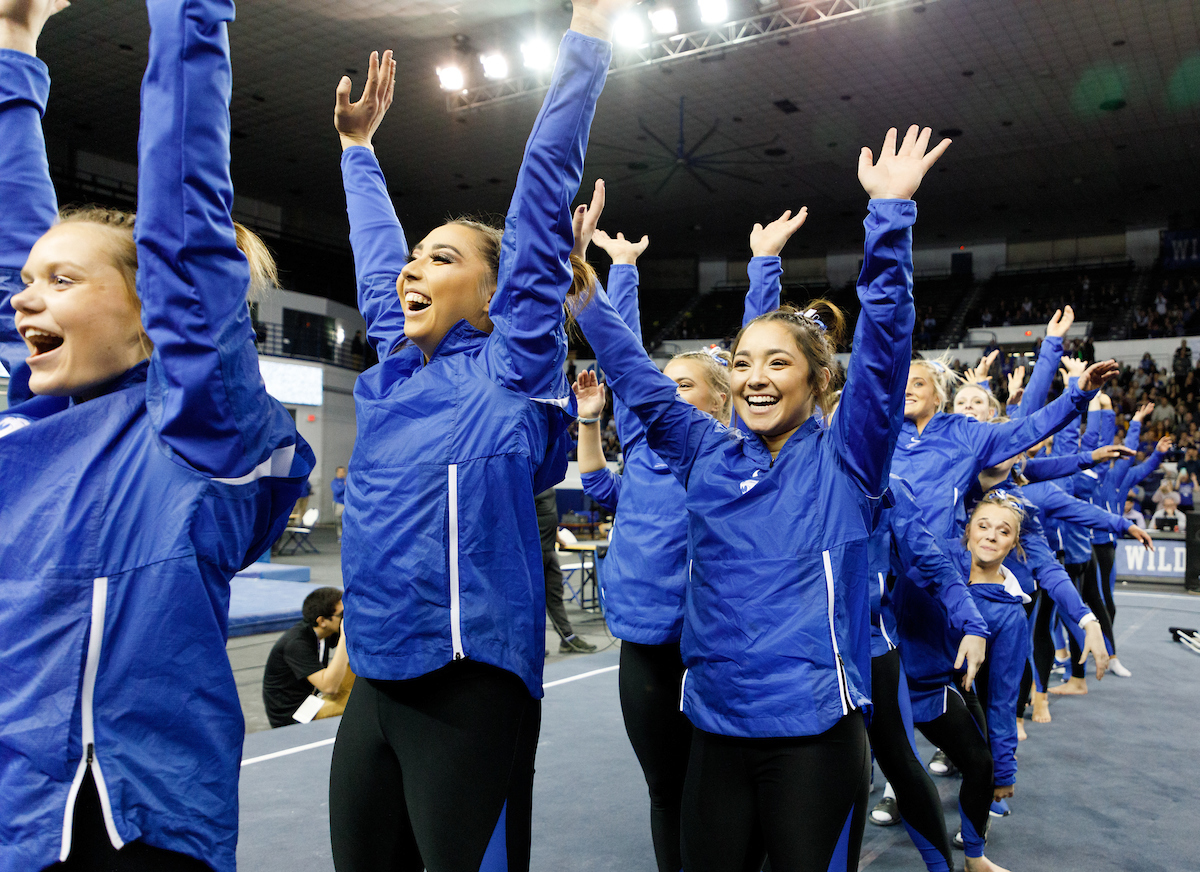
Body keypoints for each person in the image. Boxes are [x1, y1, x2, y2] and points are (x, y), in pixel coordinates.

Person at [576, 124, 951, 872]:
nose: (753, 376)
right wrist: (584, 290)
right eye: (743, 361)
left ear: (817, 383)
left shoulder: (850, 459)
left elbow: (885, 346)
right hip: (714, 731)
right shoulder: (706, 452)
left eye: (778, 362)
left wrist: (890, 219)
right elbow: (641, 386)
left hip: (815, 738)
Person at [0, 1, 314, 870]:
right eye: (26, 282)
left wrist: (189, 16)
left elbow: (184, 237)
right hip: (17, 812)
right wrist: (15, 44)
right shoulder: (26, 430)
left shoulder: (197, 432)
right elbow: (11, 250)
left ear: (153, 314)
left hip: (136, 819)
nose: (26, 298)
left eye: (61, 281)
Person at [325, 4, 626, 869]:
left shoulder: (510, 368)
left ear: (500, 300)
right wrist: (357, 152)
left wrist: (588, 42)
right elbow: (380, 257)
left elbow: (538, 196)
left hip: (469, 686)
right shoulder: (392, 374)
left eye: (443, 259)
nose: (414, 268)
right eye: (416, 259)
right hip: (378, 684)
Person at [573, 208, 807, 872]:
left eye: (684, 386)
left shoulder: (735, 450)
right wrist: (616, 272)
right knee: (665, 788)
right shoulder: (645, 447)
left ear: (721, 396)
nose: (667, 395)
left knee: (729, 788)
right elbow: (624, 360)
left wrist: (764, 266)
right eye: (664, 386)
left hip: (720, 645)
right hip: (646, 644)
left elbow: (753, 352)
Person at [262, 587, 350, 728]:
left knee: (356, 668)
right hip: (294, 715)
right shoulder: (296, 644)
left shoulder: (323, 631)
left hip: (312, 699)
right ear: (322, 621)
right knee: (361, 704)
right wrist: (345, 638)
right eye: (343, 615)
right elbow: (329, 687)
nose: (347, 619)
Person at [536, 487, 597, 653]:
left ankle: (567, 639)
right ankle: (531, 645)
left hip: (548, 550)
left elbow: (549, 514)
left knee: (555, 595)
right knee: (532, 600)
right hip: (533, 552)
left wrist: (558, 538)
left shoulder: (548, 481)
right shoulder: (528, 481)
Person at [331, 465, 347, 541]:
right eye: (340, 472)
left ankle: (346, 536)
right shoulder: (334, 482)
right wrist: (344, 486)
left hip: (346, 504)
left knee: (346, 521)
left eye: (343, 471)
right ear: (337, 472)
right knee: (338, 521)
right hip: (338, 503)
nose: (341, 473)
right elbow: (337, 491)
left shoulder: (347, 481)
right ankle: (340, 535)